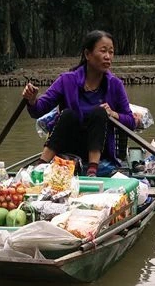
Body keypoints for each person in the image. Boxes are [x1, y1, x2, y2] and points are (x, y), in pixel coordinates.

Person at [22, 30, 134, 177]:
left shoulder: (115, 85)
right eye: (103, 51)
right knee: (68, 114)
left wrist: (113, 114)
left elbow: (131, 122)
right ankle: (41, 166)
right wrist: (31, 100)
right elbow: (38, 110)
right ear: (88, 54)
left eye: (111, 52)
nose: (108, 57)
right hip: (69, 146)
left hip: (100, 148)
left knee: (99, 112)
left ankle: (92, 171)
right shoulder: (67, 80)